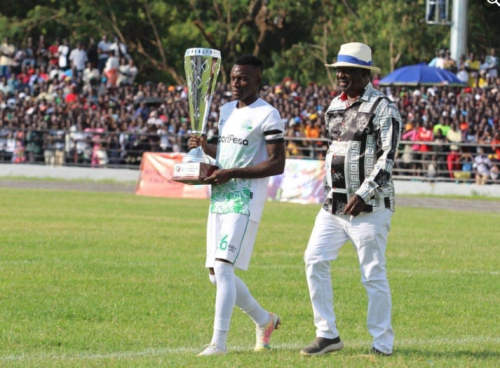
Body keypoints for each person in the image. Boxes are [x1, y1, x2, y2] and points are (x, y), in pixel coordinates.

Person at [302, 42, 402, 357]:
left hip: (369, 207)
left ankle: (382, 342)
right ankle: (327, 334)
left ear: (364, 73)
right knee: (314, 260)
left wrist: (363, 193)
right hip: (334, 206)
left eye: (348, 70)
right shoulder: (334, 105)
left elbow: (388, 158)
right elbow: (337, 148)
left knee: (372, 273)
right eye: (339, 70)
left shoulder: (384, 107)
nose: (341, 75)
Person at [188, 54, 286, 356]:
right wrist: (205, 149)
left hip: (244, 200)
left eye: (243, 78)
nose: (236, 83)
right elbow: (227, 153)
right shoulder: (226, 110)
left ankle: (218, 343)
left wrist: (233, 173)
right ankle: (264, 320)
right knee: (215, 274)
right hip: (219, 198)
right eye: (233, 78)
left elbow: (277, 163)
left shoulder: (268, 114)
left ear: (258, 81)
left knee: (223, 268)